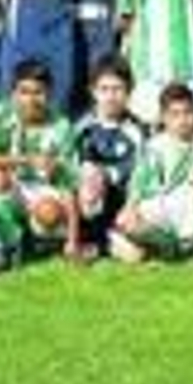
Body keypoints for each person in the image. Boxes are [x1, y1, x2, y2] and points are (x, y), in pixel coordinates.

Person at [0, 59, 84, 268]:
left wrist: (73, 240)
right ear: (14, 93)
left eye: (38, 92)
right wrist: (26, 160)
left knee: (49, 213)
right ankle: (9, 240)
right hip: (12, 186)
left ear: (50, 93)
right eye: (24, 92)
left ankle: (38, 239)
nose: (31, 99)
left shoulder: (61, 125)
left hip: (44, 190)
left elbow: (70, 185)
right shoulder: (1, 114)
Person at [111, 84, 193, 264]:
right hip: (161, 205)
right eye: (175, 114)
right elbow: (139, 181)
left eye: (188, 112)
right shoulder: (155, 146)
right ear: (164, 117)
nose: (182, 120)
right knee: (125, 221)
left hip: (190, 205)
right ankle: (166, 245)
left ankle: (171, 247)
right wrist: (130, 206)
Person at [72, 57, 143, 256]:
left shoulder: (138, 131)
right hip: (87, 199)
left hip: (122, 204)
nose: (111, 96)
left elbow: (141, 175)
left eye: (117, 89)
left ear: (129, 91)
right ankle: (90, 237)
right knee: (90, 174)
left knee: (135, 256)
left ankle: (105, 240)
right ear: (93, 91)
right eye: (104, 89)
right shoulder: (81, 128)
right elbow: (70, 171)